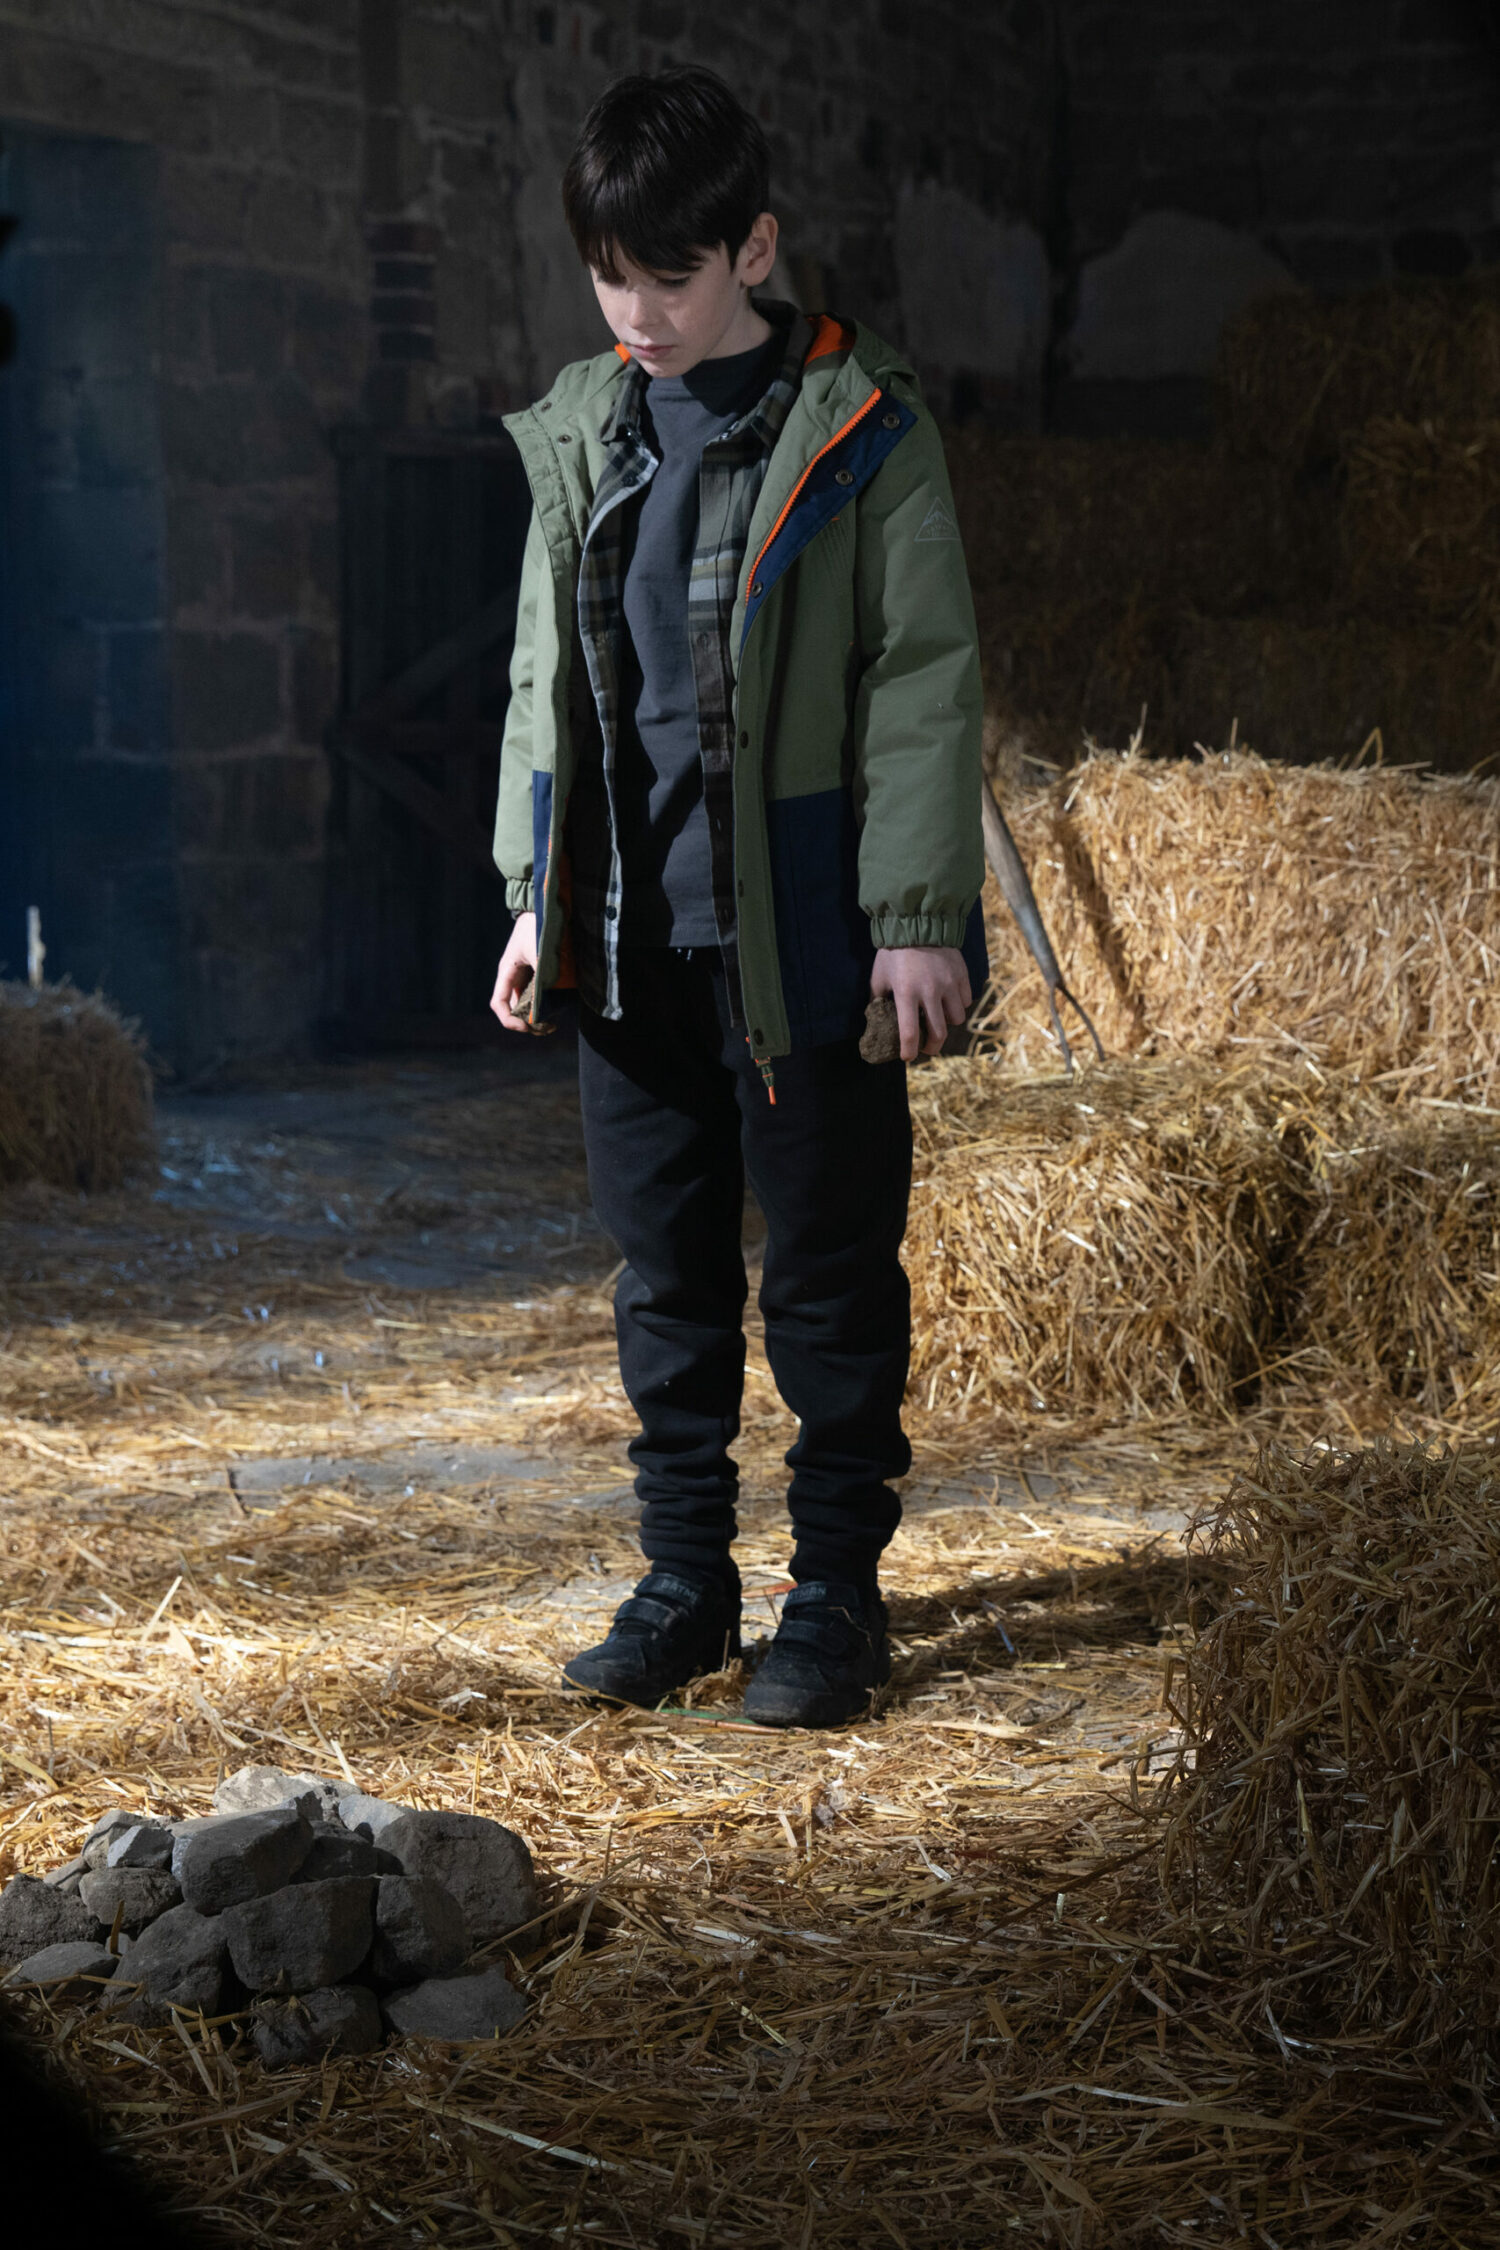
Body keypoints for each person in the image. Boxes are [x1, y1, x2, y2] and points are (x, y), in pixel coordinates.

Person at [490, 65, 985, 1728]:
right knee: (666, 1278)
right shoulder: (589, 428)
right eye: (608, 277)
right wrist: (532, 894)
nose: (636, 314)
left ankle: (835, 1591)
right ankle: (685, 1581)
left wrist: (914, 914)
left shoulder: (860, 430)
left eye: (671, 277)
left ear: (754, 249)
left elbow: (922, 679)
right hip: (630, 940)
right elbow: (544, 679)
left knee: (830, 1276)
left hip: (801, 938)